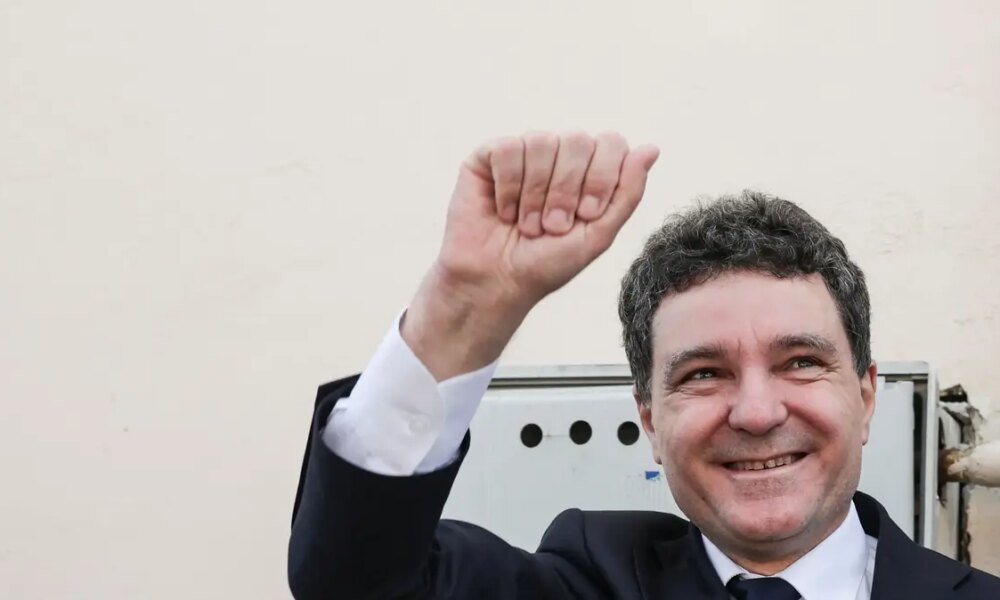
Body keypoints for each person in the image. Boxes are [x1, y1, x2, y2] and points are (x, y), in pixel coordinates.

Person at [287, 131, 1000, 599]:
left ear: (866, 397)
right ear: (651, 422)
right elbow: (357, 582)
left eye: (801, 361)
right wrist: (461, 312)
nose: (756, 413)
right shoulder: (592, 575)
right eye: (703, 374)